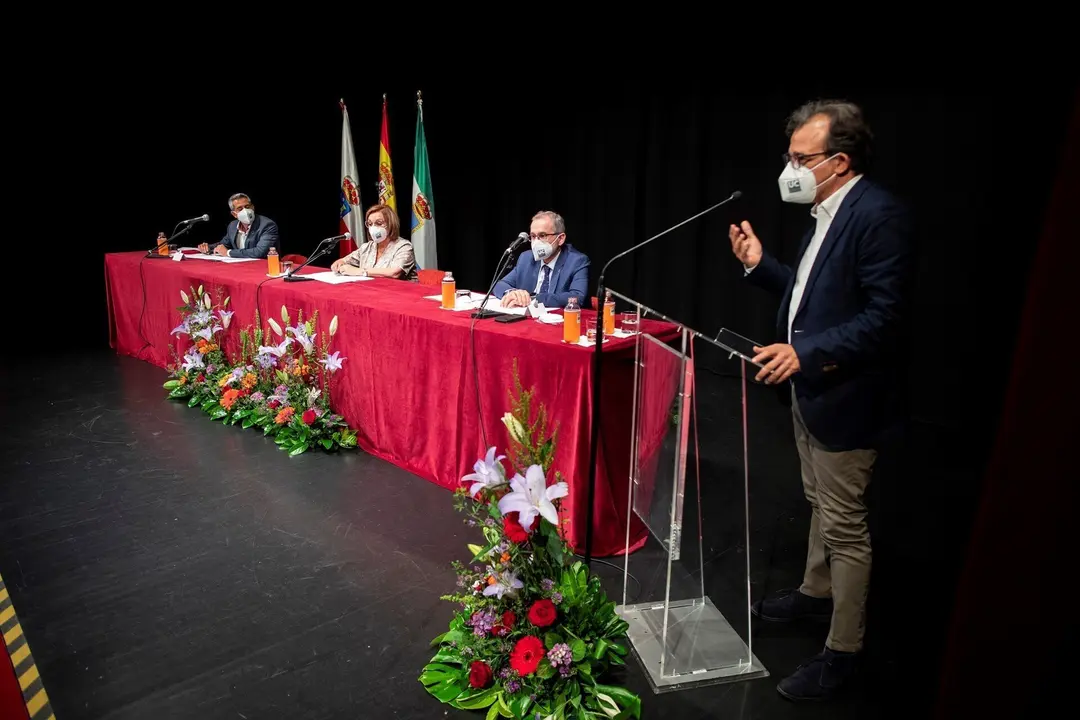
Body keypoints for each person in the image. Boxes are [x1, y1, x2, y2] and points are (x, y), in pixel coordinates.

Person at [728, 99, 914, 702]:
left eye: (801, 159)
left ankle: (844, 653)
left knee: (845, 525)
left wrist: (806, 355)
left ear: (839, 160)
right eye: (789, 157)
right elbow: (812, 298)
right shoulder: (825, 211)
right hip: (813, 394)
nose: (790, 169)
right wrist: (762, 267)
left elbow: (886, 319)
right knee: (820, 503)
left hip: (847, 397)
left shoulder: (878, 215)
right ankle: (814, 592)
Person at [495, 210, 590, 308]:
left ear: (560, 238)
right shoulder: (526, 258)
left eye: (542, 235)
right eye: (533, 236)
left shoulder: (577, 261)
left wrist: (532, 298)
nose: (536, 242)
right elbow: (500, 284)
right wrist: (512, 293)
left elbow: (578, 297)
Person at [330, 204, 417, 281]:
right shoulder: (367, 247)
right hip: (372, 292)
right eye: (370, 224)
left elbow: (394, 273)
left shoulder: (404, 246)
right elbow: (344, 261)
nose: (373, 228)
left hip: (400, 295)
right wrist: (339, 264)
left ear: (391, 224)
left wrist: (360, 271)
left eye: (379, 223)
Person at [198, 193, 280, 258]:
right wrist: (209, 247)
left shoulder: (267, 225)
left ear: (253, 207)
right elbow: (224, 244)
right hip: (241, 268)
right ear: (234, 214)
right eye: (240, 208)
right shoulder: (232, 226)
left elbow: (260, 252)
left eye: (247, 206)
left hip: (262, 268)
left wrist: (228, 252)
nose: (245, 211)